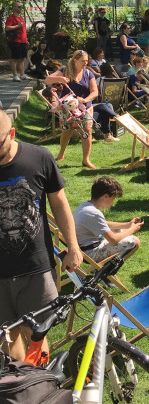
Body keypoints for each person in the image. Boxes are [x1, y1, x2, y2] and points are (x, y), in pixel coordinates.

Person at [0, 109, 82, 359]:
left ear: (12, 134)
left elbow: (59, 203)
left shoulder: (39, 158)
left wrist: (73, 246)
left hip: (35, 267)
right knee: (6, 335)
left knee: (36, 334)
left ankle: (40, 388)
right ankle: (21, 389)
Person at [46, 50, 118, 166]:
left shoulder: (89, 73)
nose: (85, 63)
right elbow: (48, 79)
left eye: (86, 61)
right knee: (67, 131)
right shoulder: (64, 71)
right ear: (75, 61)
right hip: (67, 107)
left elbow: (95, 92)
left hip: (85, 107)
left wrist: (85, 100)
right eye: (83, 61)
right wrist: (60, 79)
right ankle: (61, 152)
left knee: (87, 131)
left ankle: (86, 160)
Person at [73, 176, 141, 263]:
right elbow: (113, 240)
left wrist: (127, 225)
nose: (113, 202)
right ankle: (105, 272)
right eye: (112, 198)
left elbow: (103, 224)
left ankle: (104, 271)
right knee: (134, 242)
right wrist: (132, 229)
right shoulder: (94, 213)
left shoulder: (85, 206)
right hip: (90, 253)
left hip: (83, 247)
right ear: (105, 196)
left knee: (121, 230)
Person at [5, 1, 28, 81]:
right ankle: (15, 75)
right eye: (18, 7)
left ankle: (22, 74)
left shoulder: (21, 18)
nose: (20, 8)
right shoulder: (11, 18)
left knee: (22, 58)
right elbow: (7, 28)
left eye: (21, 7)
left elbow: (24, 30)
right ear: (14, 8)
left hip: (23, 41)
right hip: (15, 40)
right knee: (14, 59)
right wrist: (17, 26)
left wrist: (26, 40)